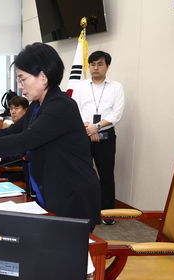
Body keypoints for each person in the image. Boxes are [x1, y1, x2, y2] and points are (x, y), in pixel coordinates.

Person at [0, 42, 101, 230]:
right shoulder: (38, 105)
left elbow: (26, 140)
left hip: (72, 196)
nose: (20, 85)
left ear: (43, 77)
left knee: (66, 254)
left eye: (22, 79)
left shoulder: (61, 106)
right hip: (50, 189)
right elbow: (11, 132)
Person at [72, 51, 125, 225]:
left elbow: (116, 113)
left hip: (106, 135)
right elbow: (75, 110)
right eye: (92, 64)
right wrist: (90, 128)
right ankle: (84, 211)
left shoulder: (116, 87)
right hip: (83, 134)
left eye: (100, 64)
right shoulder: (80, 86)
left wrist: (97, 126)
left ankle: (107, 213)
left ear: (107, 66)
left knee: (106, 175)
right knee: (83, 174)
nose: (95, 67)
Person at [0, 96, 29, 182]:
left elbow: (21, 155)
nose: (13, 112)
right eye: (11, 109)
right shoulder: (14, 126)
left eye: (16, 108)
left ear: (26, 110)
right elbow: (3, 142)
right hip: (7, 162)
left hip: (17, 169)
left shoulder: (28, 129)